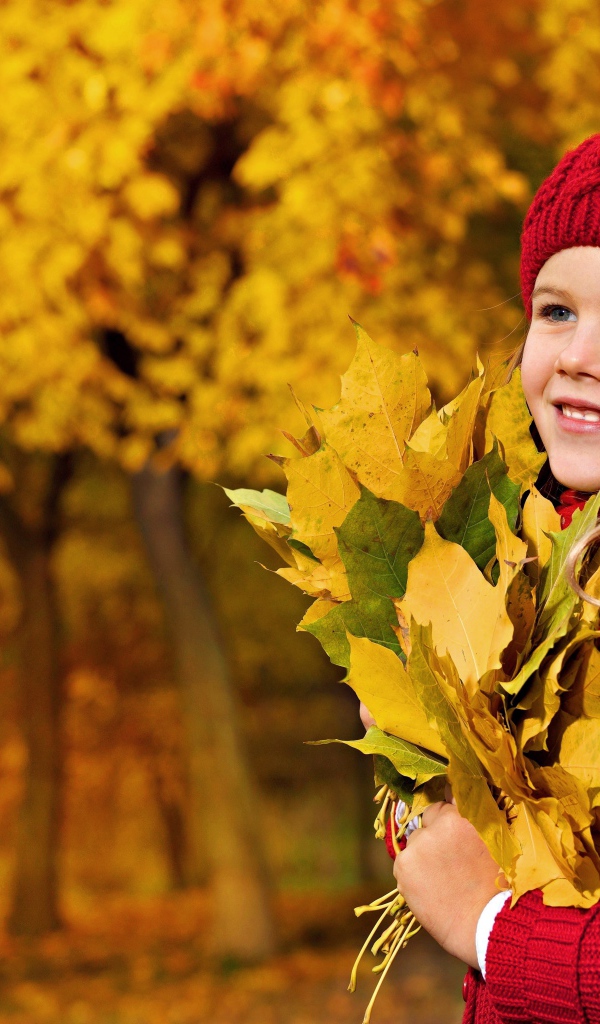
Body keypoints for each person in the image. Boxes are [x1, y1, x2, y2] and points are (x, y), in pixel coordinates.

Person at [361, 133, 600, 1024]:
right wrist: (420, 764)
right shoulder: (519, 543)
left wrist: (492, 928)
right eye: (557, 310)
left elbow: (474, 899)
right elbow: (447, 847)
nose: (578, 353)